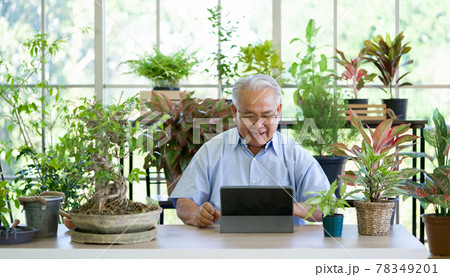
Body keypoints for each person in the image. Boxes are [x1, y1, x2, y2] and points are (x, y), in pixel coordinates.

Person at [170, 74, 330, 227]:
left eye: (267, 115)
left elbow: (328, 206)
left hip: (283, 249)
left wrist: (289, 207)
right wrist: (196, 215)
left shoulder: (295, 154)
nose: (258, 124)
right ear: (235, 112)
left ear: (279, 111)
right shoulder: (212, 150)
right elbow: (184, 202)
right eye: (249, 115)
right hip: (222, 248)